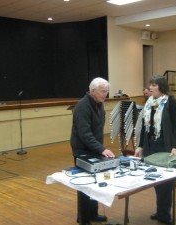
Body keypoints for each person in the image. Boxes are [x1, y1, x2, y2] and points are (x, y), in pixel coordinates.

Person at [134, 75, 176, 225]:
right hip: (150, 146)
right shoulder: (149, 103)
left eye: (154, 85)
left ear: (161, 87)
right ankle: (161, 210)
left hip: (165, 146)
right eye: (150, 85)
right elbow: (144, 128)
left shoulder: (171, 103)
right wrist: (140, 145)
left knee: (166, 182)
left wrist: (175, 147)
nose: (150, 88)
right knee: (156, 180)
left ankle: (164, 213)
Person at [70, 77, 115, 225]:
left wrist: (99, 149)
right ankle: (84, 219)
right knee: (84, 186)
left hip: (95, 149)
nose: (105, 94)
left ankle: (93, 214)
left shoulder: (99, 104)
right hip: (82, 150)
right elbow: (85, 134)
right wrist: (102, 149)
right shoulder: (82, 106)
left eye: (107, 91)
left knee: (96, 183)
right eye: (103, 91)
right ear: (93, 91)